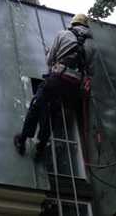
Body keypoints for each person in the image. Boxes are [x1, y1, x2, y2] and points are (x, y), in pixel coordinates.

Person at [14, 13, 96, 161]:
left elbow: (49, 60)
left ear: (73, 25)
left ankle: (22, 139)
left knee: (36, 105)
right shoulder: (92, 46)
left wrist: (54, 57)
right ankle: (40, 147)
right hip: (73, 87)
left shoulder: (62, 35)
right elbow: (90, 71)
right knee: (53, 112)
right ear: (86, 27)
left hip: (58, 78)